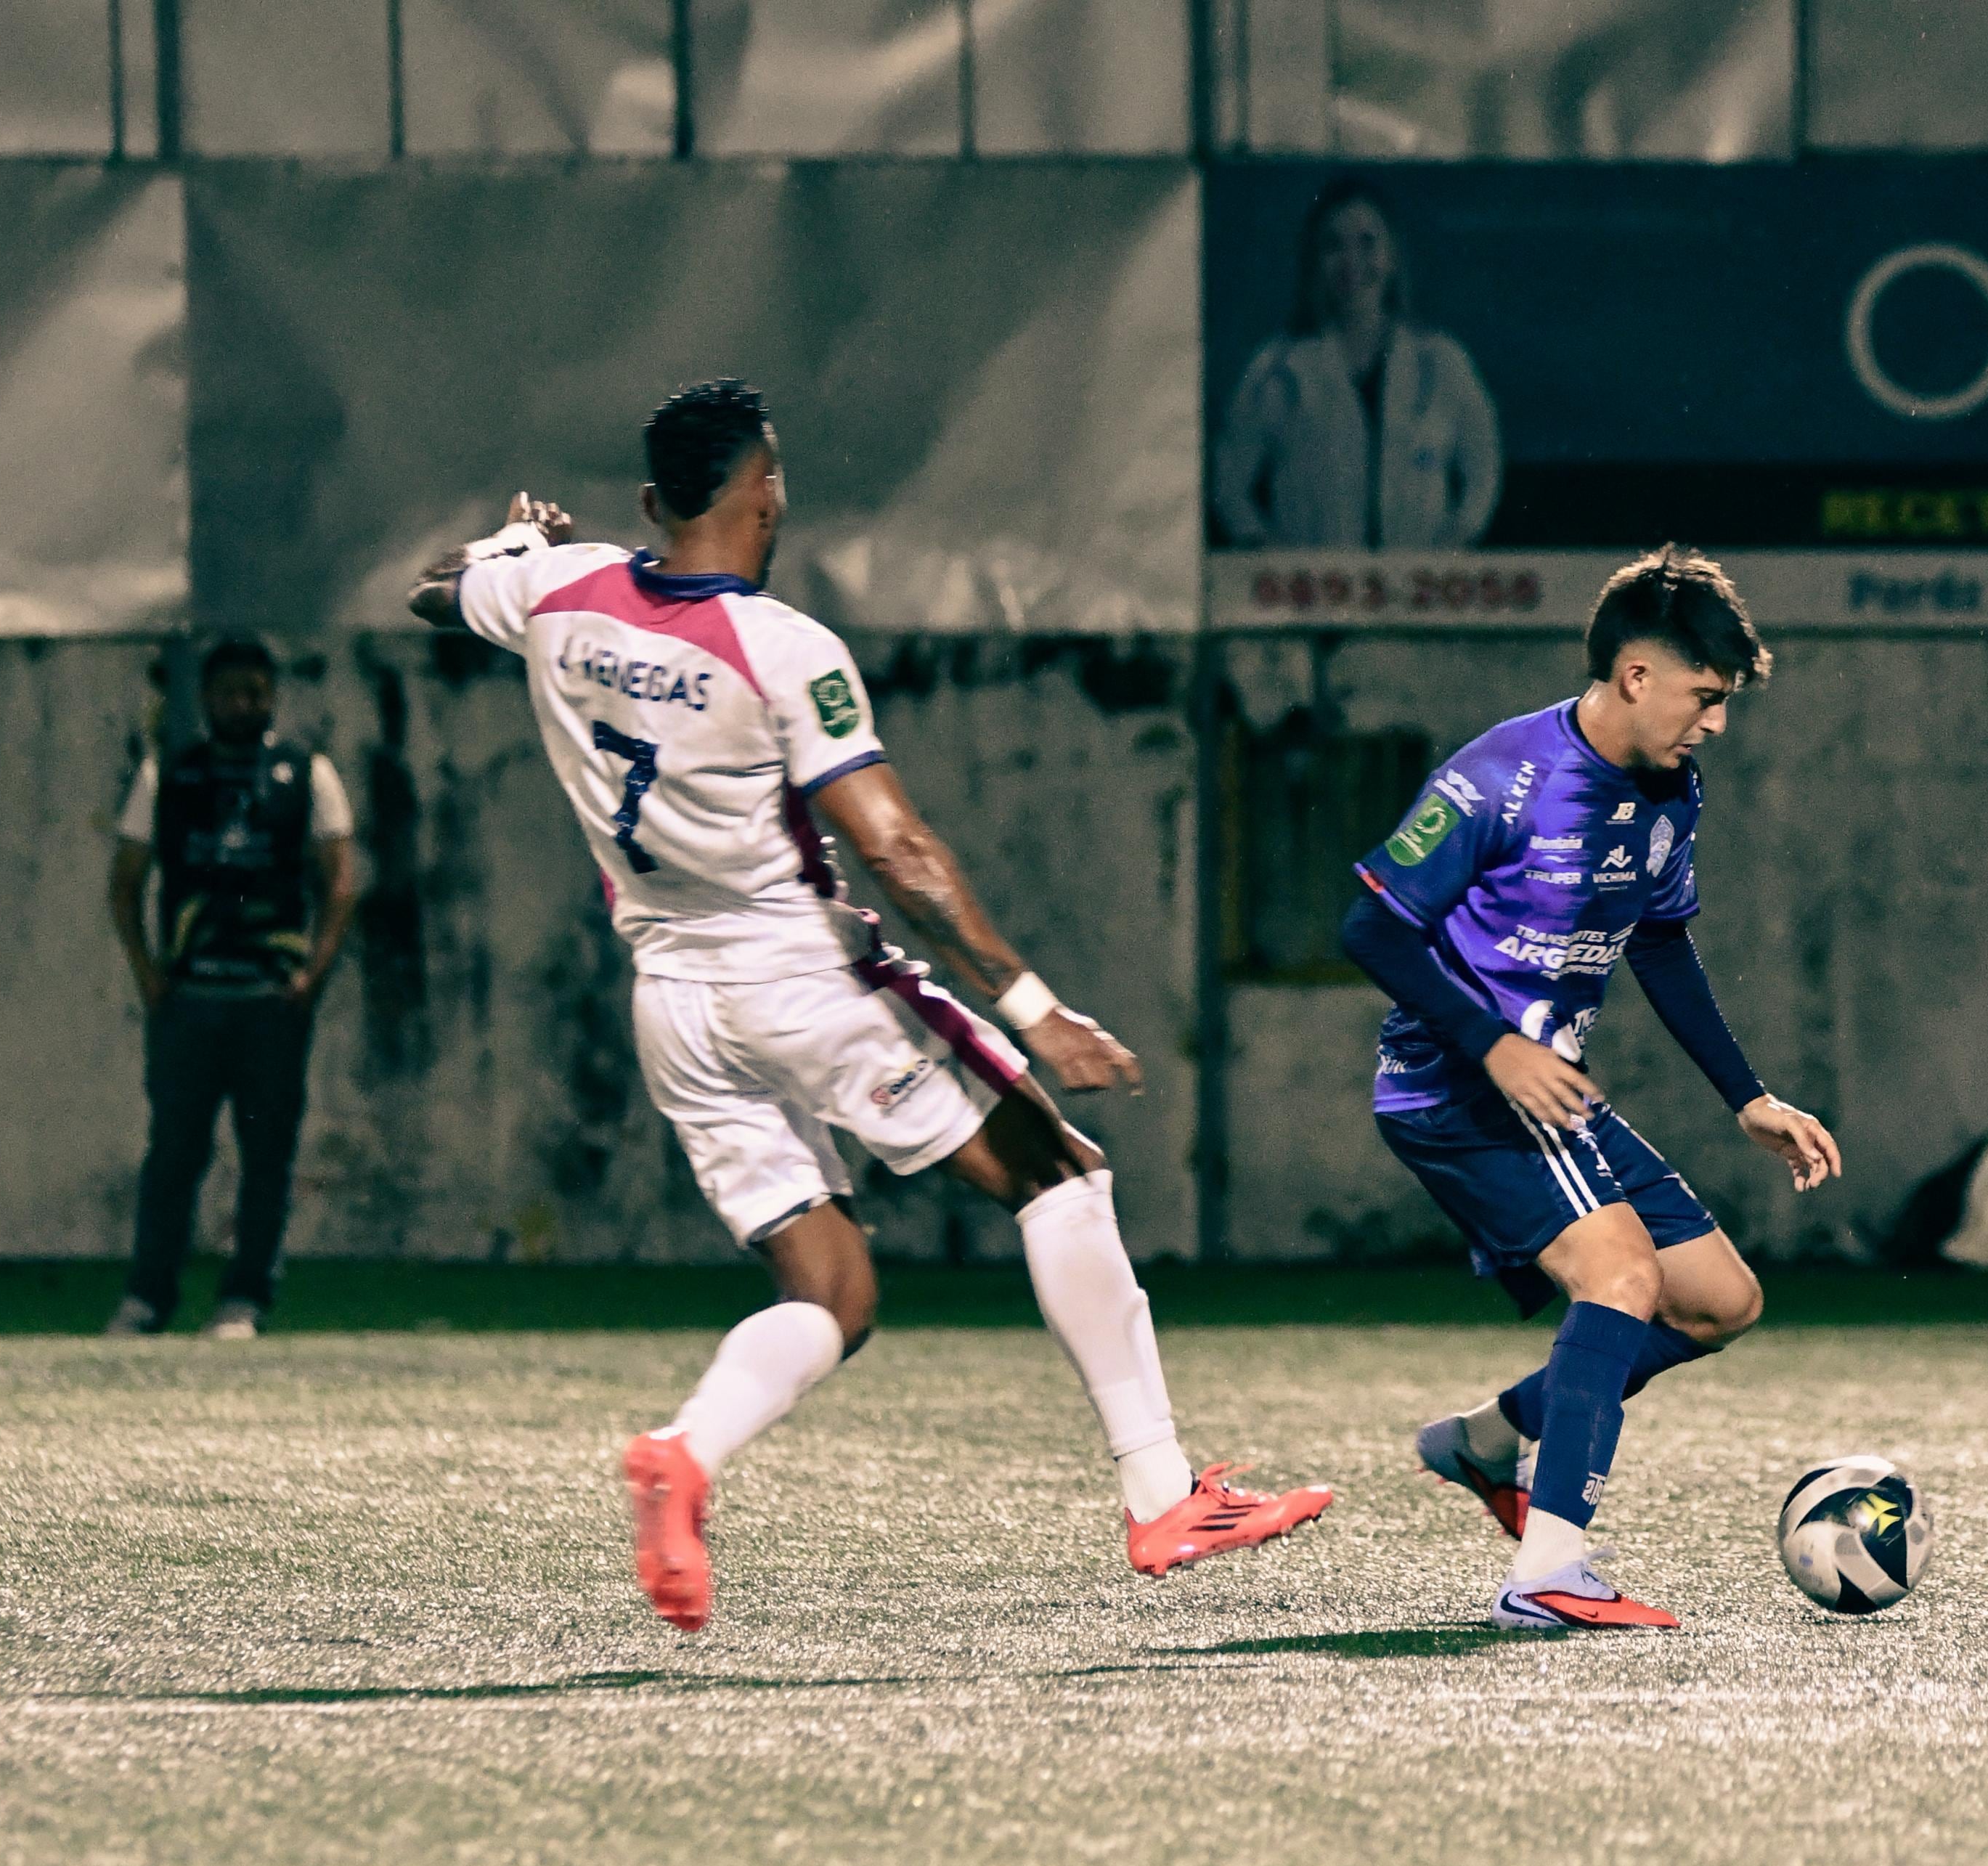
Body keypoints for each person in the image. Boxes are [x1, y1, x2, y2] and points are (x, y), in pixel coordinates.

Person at [407, 378, 1330, 1633]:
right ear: (763, 490)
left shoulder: (554, 589)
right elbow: (897, 847)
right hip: (800, 977)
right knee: (1059, 1173)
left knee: (834, 1293)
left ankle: (683, 1452)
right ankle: (1165, 1492)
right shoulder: (784, 648)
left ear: (650, 502)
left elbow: (436, 584)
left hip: (672, 1002)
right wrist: (1034, 1004)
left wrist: (516, 546)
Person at [1339, 547, 1842, 1631]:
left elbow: (1661, 943)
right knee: (1619, 1276)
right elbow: (1373, 923)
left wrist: (1744, 1095)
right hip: (1457, 1084)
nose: (1713, 722)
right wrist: (1491, 1045)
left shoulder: (1670, 790)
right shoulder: (1500, 774)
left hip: (1549, 1093)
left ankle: (1487, 1437)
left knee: (1719, 1301)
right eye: (1705, 698)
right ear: (1634, 676)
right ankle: (1548, 1570)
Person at [105, 638, 359, 1340]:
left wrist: (311, 975)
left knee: (267, 1157)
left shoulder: (306, 774)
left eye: (255, 692)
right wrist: (150, 976)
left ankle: (244, 1300)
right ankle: (147, 1300)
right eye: (229, 693)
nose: (242, 704)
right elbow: (124, 884)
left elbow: (340, 882)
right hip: (189, 1002)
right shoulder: (169, 776)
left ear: (272, 696)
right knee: (174, 1155)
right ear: (207, 699)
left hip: (271, 1004)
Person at [1213, 175, 1502, 550]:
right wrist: (1269, 554)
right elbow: (1229, 483)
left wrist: (1452, 548)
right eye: (1334, 245)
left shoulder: (1442, 364)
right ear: (1314, 260)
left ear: (1393, 257)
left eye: (1367, 243)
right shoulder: (1278, 370)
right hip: (1315, 598)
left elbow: (1484, 468)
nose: (1351, 262)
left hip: (1421, 595)